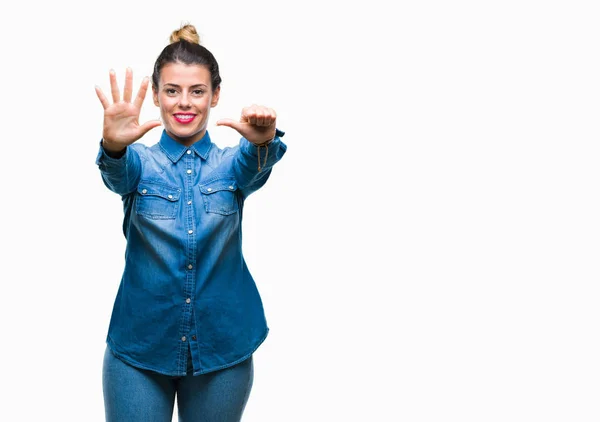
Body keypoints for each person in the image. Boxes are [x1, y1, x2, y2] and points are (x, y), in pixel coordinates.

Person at [94, 23, 287, 422]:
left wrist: (263, 140)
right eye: (172, 90)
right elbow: (116, 173)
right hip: (140, 349)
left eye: (197, 91)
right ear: (157, 95)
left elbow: (255, 165)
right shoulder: (139, 163)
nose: (185, 103)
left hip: (223, 348)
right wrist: (113, 145)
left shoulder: (231, 165)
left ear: (215, 95)